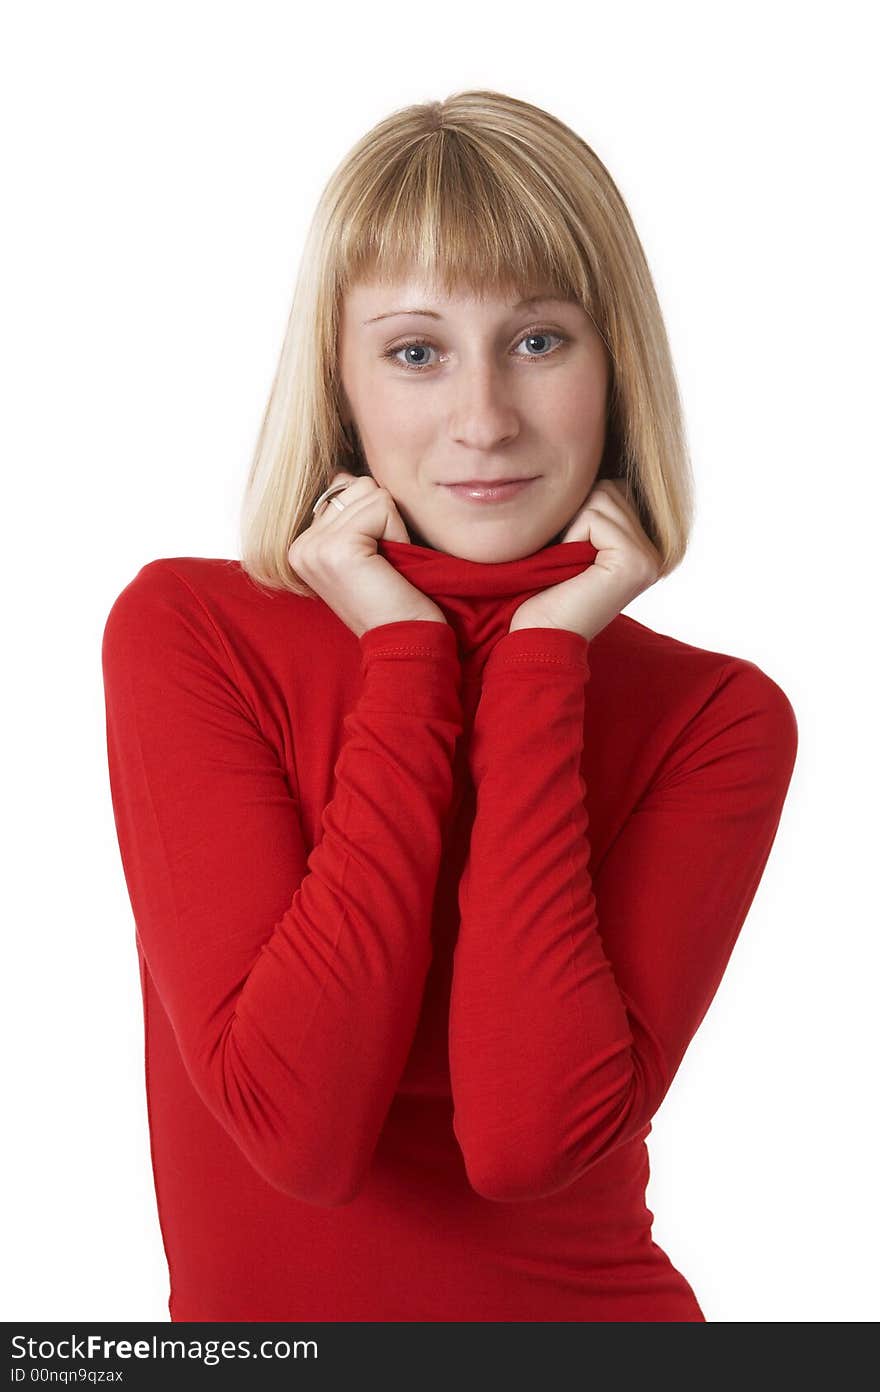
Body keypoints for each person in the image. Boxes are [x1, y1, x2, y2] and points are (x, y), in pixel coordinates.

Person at [101, 89, 798, 1323]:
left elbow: (526, 1143)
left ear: (613, 361)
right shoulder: (191, 633)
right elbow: (296, 1131)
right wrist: (409, 658)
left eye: (537, 340)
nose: (483, 419)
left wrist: (538, 666)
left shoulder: (716, 718)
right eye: (416, 351)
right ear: (344, 379)